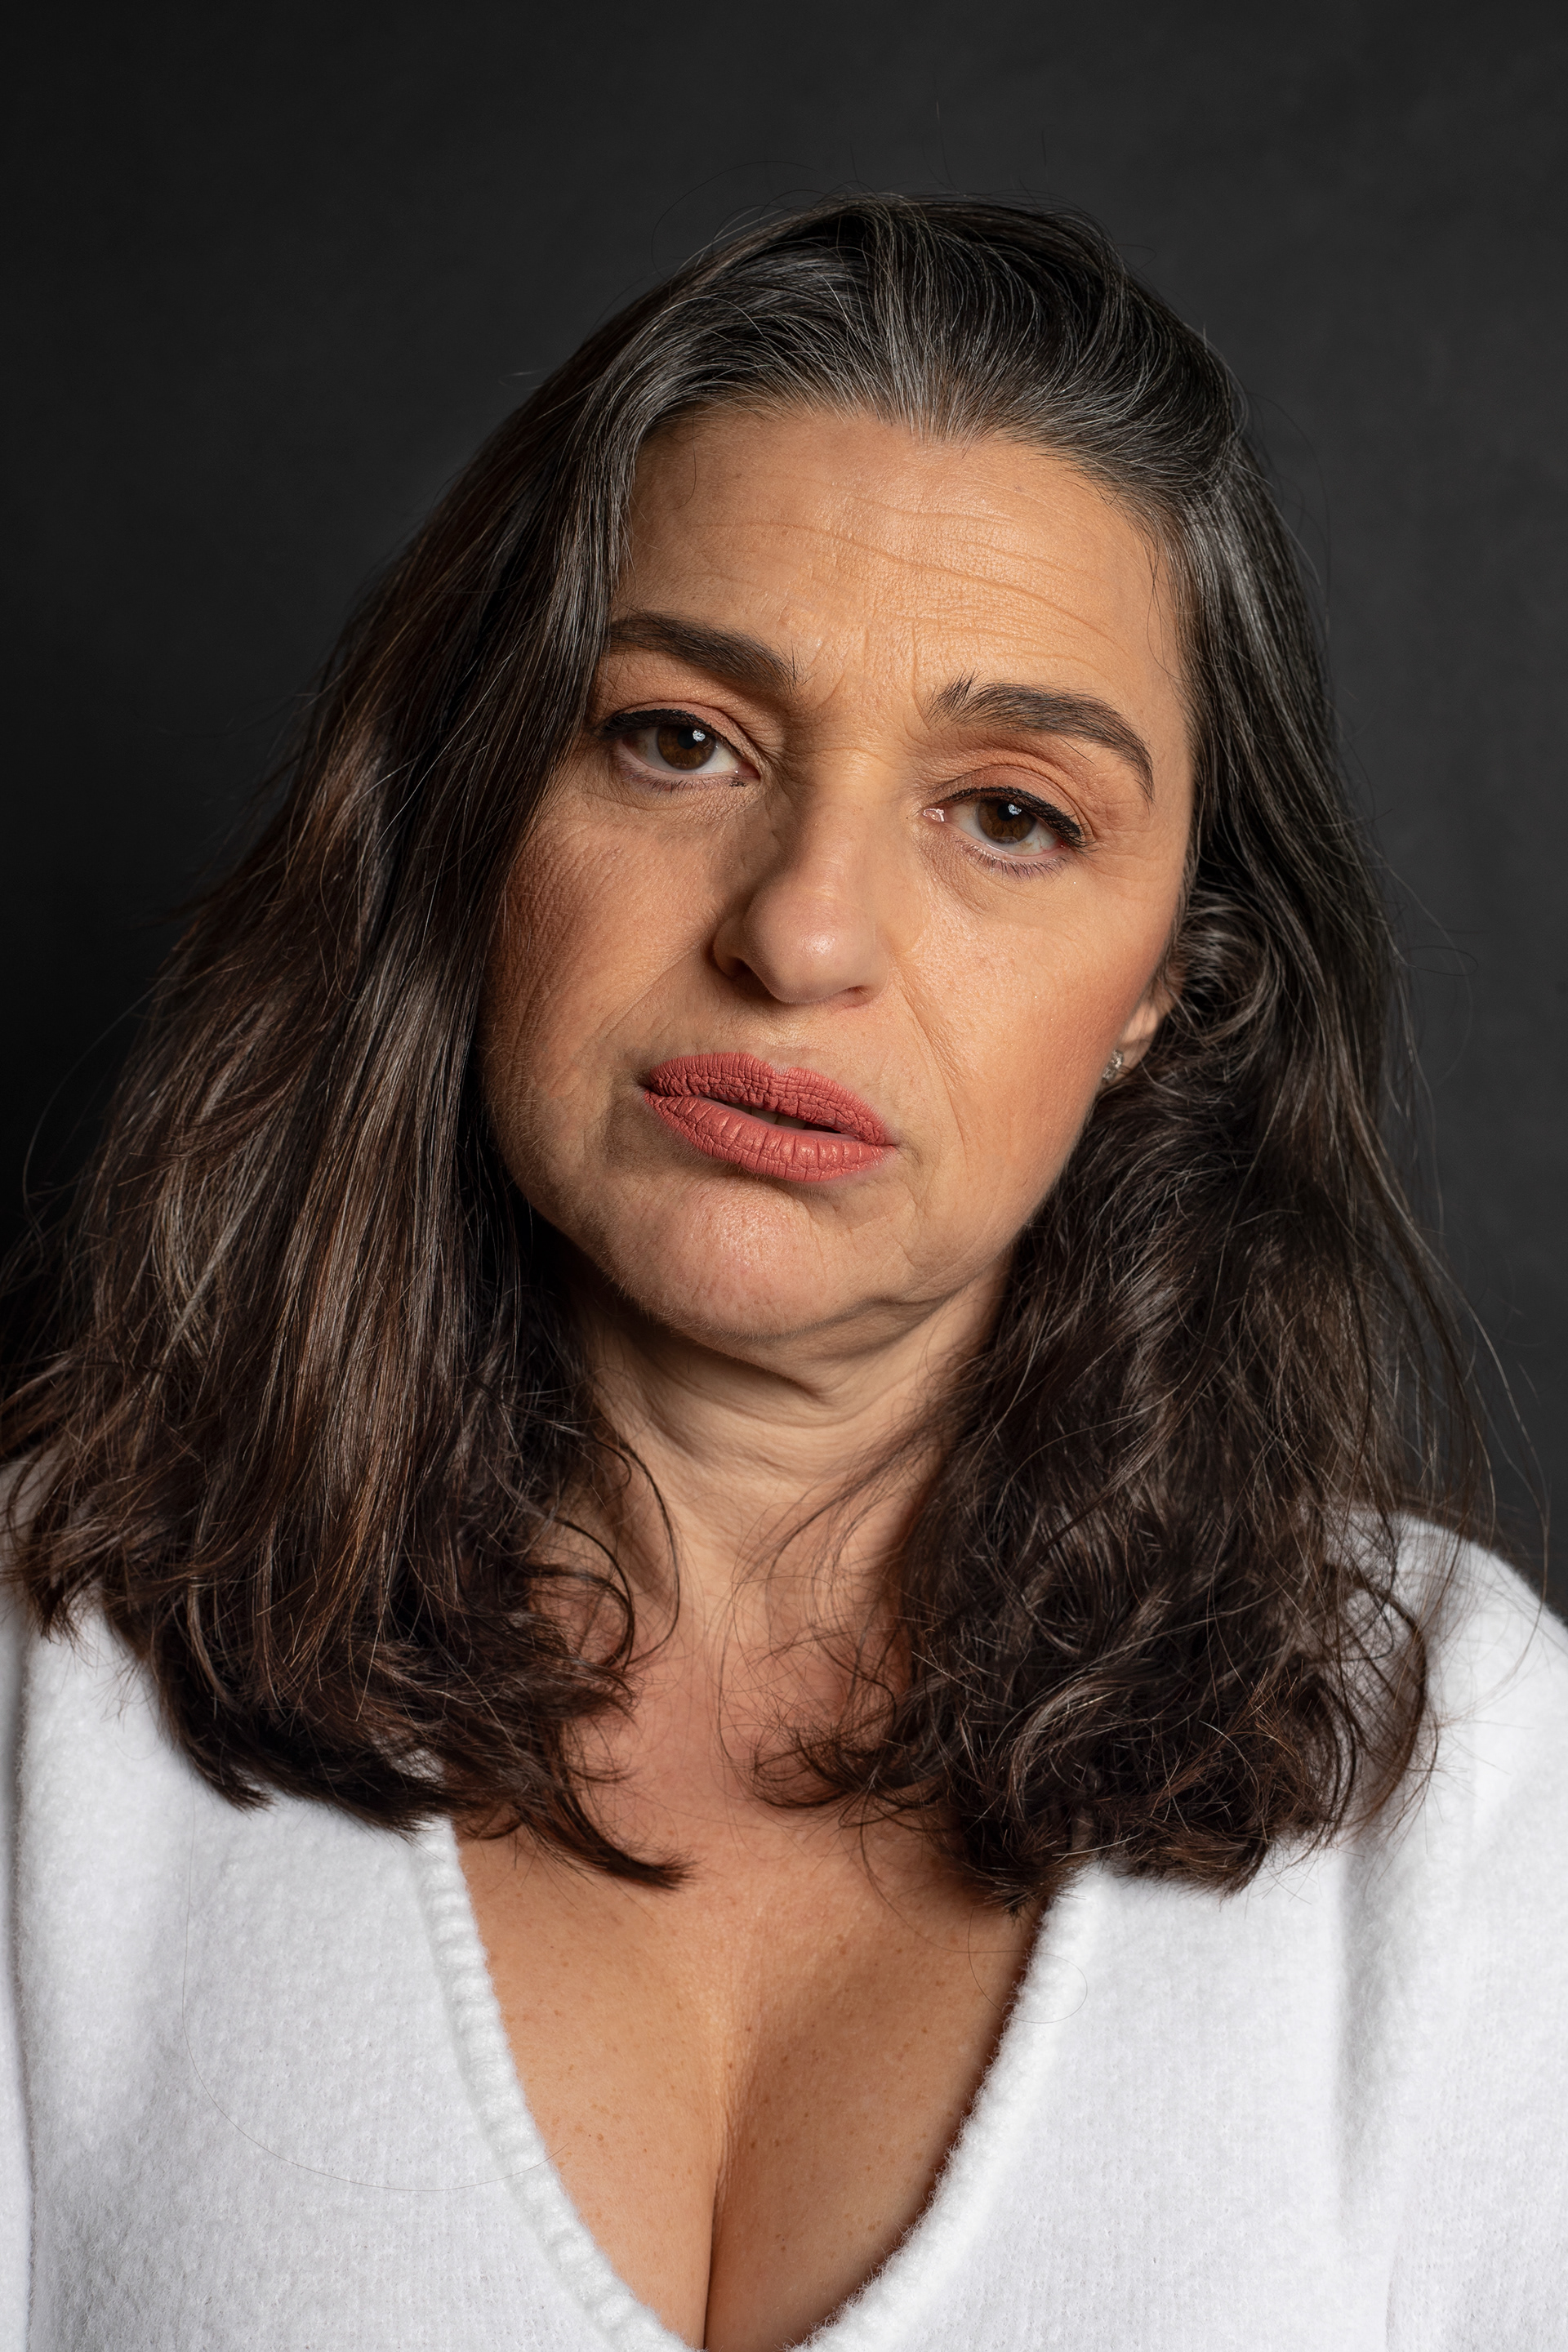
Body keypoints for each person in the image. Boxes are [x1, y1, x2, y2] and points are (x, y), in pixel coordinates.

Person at [2, 194, 1564, 2352]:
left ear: (1167, 996)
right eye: (679, 739)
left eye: (1009, 813)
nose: (802, 933)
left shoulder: (1456, 1774)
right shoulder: (43, 1700)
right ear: (470, 820)